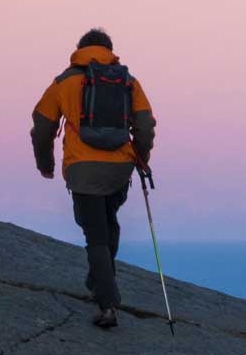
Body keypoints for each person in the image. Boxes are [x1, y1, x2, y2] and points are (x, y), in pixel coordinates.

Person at [31, 28, 156, 328]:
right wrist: (141, 158)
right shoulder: (128, 81)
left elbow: (42, 127)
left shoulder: (64, 81)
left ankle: (108, 304)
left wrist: (45, 164)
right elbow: (145, 127)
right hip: (119, 168)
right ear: (110, 50)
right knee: (108, 223)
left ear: (80, 49)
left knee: (96, 234)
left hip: (82, 168)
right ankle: (98, 279)